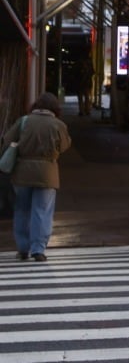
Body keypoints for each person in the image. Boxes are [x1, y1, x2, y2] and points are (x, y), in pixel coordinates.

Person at [4, 92, 72, 261]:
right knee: (42, 211)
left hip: (22, 172)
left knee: (22, 209)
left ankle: (22, 247)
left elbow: (6, 141)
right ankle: (38, 249)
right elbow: (64, 146)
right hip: (47, 173)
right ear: (55, 108)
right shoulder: (58, 125)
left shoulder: (24, 121)